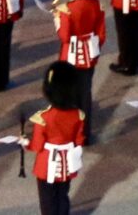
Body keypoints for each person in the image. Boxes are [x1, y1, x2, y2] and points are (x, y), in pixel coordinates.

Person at [26, 62, 89, 215]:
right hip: (67, 162)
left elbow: (37, 145)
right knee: (62, 195)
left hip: (47, 164)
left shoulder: (43, 118)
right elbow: (79, 140)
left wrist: (25, 142)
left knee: (48, 200)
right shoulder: (78, 115)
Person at [54, 0, 107, 130]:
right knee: (85, 94)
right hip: (89, 57)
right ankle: (84, 131)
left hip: (70, 58)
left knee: (70, 96)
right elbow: (101, 35)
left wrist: (57, 20)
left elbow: (64, 36)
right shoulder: (97, 6)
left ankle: (72, 130)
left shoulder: (67, 9)